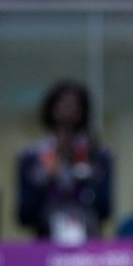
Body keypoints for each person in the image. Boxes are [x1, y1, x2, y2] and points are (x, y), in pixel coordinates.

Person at [17, 79, 113, 243]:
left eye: (74, 106)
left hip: (89, 239)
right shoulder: (32, 156)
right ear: (51, 110)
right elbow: (24, 215)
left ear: (83, 112)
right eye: (62, 105)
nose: (68, 112)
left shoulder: (98, 155)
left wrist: (82, 172)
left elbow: (105, 210)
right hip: (45, 241)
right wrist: (49, 177)